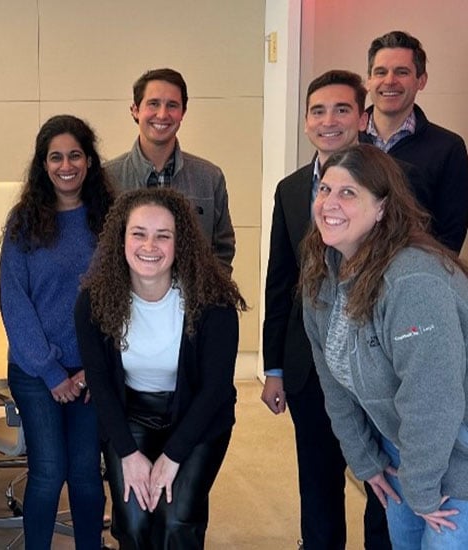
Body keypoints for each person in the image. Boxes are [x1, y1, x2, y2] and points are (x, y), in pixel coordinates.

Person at [302, 144, 468, 549]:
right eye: (325, 189)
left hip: (458, 456)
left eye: (348, 192)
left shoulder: (412, 281)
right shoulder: (322, 275)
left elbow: (433, 398)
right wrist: (364, 459)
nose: (329, 203)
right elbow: (333, 384)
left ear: (382, 208)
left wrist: (421, 489)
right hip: (405, 451)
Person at [261, 70, 400, 550]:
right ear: (305, 122)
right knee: (318, 482)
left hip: (378, 364)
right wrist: (274, 368)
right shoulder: (291, 188)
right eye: (317, 111)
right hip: (310, 365)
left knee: (385, 486)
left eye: (342, 109)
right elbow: (280, 281)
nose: (329, 121)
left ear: (362, 118)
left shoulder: (391, 181)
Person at [76, 188, 245, 549]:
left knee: (175, 520)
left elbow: (215, 390)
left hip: (197, 417)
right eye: (138, 233)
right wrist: (127, 453)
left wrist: (173, 456)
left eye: (163, 236)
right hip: (131, 415)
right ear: (121, 239)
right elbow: (100, 384)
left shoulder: (213, 302)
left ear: (179, 242)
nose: (149, 246)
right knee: (134, 522)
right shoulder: (94, 302)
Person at [0, 114, 113, 549]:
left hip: (92, 369)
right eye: (55, 157)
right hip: (35, 371)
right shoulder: (24, 222)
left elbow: (119, 298)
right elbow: (14, 301)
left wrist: (94, 368)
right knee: (48, 472)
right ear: (43, 164)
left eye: (75, 155)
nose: (66, 166)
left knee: (85, 473)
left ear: (90, 160)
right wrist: (50, 371)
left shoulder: (111, 220)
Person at [104, 68, 235, 270]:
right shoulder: (107, 178)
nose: (162, 114)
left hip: (193, 291)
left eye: (172, 105)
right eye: (153, 104)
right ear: (135, 110)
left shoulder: (209, 178)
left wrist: (207, 288)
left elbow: (223, 250)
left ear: (183, 113)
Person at [361, 30, 468, 252]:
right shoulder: (346, 139)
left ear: (421, 80)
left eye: (402, 72)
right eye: (380, 72)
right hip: (346, 272)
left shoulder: (448, 148)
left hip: (415, 272)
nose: (389, 81)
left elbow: (450, 236)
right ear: (369, 81)